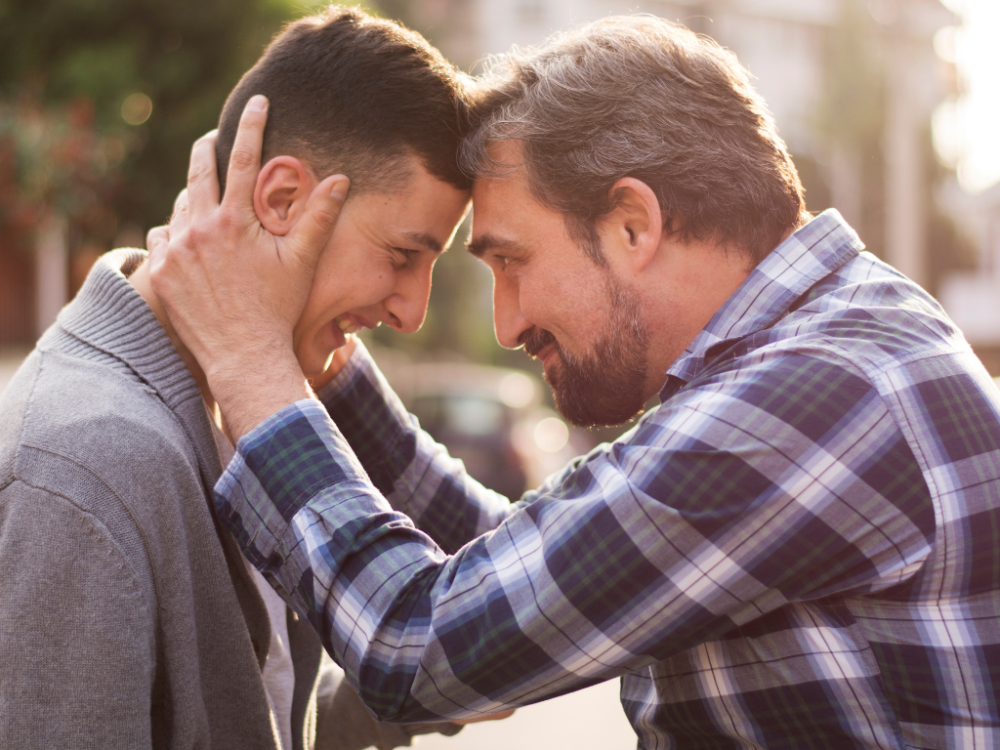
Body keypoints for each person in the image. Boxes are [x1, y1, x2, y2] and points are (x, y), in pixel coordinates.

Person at [150, 15, 1000, 749]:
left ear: (633, 224)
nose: (506, 323)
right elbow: (513, 571)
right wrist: (318, 346)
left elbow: (419, 642)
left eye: (512, 262)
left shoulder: (817, 401)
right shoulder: (816, 348)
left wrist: (253, 359)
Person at [0, 7, 489, 748]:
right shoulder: (88, 470)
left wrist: (406, 692)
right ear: (282, 200)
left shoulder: (236, 408)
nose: (413, 311)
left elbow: (263, 708)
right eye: (400, 255)